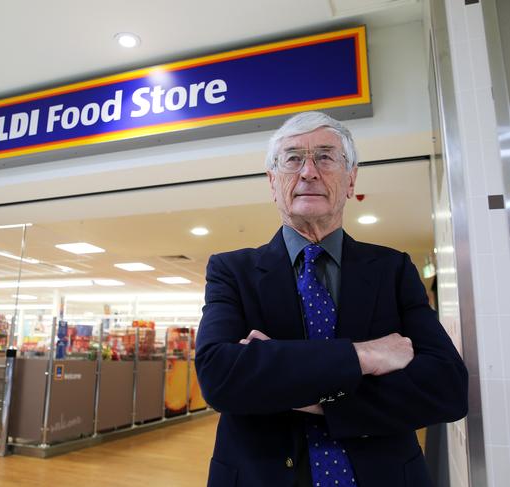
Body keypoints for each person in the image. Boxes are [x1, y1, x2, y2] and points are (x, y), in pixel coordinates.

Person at [195, 111, 468, 487]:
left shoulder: (392, 269)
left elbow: (446, 388)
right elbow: (218, 377)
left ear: (351, 177)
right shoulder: (231, 271)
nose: (308, 172)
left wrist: (287, 384)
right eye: (292, 159)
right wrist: (365, 356)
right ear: (272, 181)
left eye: (325, 157)